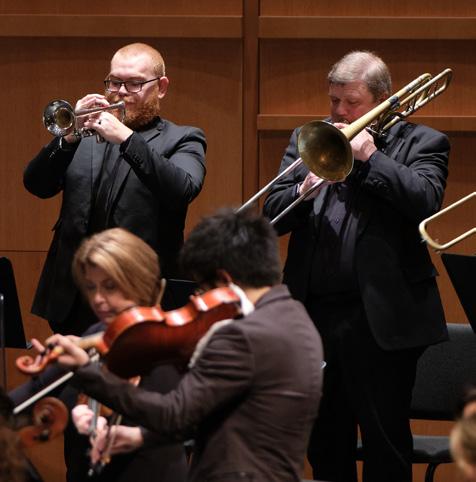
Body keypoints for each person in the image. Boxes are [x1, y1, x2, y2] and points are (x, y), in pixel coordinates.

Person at [263, 50, 450, 482]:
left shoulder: (423, 142)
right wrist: (302, 192)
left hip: (382, 320)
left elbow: (425, 201)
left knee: (386, 445)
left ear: (383, 100)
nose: (340, 112)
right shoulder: (309, 138)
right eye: (334, 100)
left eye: (351, 102)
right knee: (326, 445)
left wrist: (371, 158)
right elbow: (271, 215)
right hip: (314, 316)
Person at [43, 208, 324, 482]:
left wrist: (87, 371)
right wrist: (141, 436)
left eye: (202, 289)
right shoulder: (297, 319)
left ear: (225, 280)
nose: (199, 301)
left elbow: (174, 414)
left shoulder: (241, 336)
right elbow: (219, 412)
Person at [24, 42, 207, 335]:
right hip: (73, 296)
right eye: (114, 82)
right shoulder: (83, 135)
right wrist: (70, 136)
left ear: (161, 87)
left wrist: (126, 138)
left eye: (134, 84)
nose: (121, 92)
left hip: (141, 297)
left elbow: (182, 189)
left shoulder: (183, 139)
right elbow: (37, 185)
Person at [9, 228, 188, 482]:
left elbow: (166, 421)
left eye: (110, 286)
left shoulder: (164, 346)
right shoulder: (96, 335)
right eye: (91, 287)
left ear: (140, 282)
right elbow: (30, 395)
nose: (98, 299)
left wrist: (87, 371)